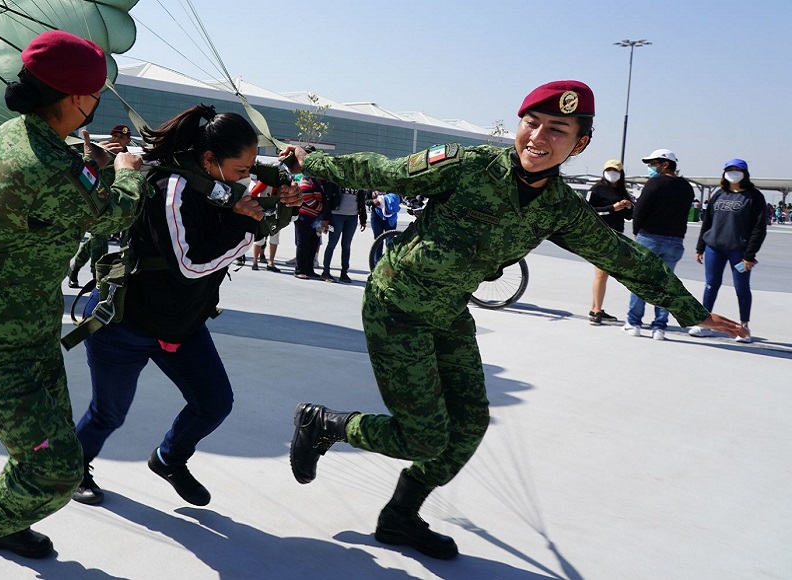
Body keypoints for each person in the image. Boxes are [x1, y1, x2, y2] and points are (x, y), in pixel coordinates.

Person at [281, 81, 744, 562]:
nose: (538, 137)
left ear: (579, 144)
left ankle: (400, 516)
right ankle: (327, 424)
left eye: (558, 129)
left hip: (449, 312)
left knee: (468, 426)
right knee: (422, 435)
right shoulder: (469, 165)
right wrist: (306, 160)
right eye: (532, 123)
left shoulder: (561, 207)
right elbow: (382, 170)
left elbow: (623, 256)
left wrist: (692, 310)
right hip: (397, 304)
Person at [0, 30, 145, 580]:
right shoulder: (54, 168)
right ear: (74, 100)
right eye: (96, 95)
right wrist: (129, 172)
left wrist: (91, 162)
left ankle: (6, 520)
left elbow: (67, 181)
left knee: (42, 443)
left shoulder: (19, 133)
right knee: (55, 468)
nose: (97, 104)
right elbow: (116, 213)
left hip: (21, 328)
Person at [71, 105, 300, 507]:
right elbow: (189, 265)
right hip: (124, 325)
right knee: (109, 413)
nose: (247, 174)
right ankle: (74, 468)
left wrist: (283, 205)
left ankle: (169, 458)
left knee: (214, 404)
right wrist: (246, 223)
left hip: (181, 324)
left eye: (251, 165)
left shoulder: (216, 184)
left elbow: (242, 219)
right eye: (240, 166)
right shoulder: (170, 188)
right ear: (209, 158)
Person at [689, 159, 767, 343]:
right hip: (714, 248)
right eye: (729, 169)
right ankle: (704, 324)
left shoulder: (754, 197)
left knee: (741, 288)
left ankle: (744, 326)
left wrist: (750, 255)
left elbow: (759, 228)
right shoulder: (719, 194)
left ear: (745, 173)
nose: (733, 172)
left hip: (739, 252)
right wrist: (700, 247)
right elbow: (707, 222)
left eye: (737, 169)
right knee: (711, 285)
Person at [623, 149, 697, 340]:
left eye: (653, 164)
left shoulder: (654, 183)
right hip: (675, 240)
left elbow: (640, 209)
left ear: (665, 164)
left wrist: (637, 230)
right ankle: (659, 327)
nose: (651, 168)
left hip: (650, 238)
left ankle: (634, 323)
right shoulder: (687, 187)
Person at [66, 126, 134, 288]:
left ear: (128, 141)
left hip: (118, 204)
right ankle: (97, 279)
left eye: (122, 138)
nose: (118, 140)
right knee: (99, 240)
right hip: (97, 202)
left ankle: (76, 267)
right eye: (115, 136)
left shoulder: (130, 158)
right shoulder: (101, 151)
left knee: (95, 241)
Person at [586, 160, 633, 324]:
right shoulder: (597, 189)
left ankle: (595, 308)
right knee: (601, 273)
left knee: (603, 274)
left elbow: (629, 216)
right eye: (609, 170)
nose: (612, 173)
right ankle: (597, 311)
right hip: (599, 235)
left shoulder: (622, 192)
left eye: (616, 170)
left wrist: (628, 206)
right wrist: (612, 208)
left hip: (616, 236)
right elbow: (588, 211)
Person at [321, 186, 368, 283]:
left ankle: (344, 272)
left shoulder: (356, 181)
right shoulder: (337, 179)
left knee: (346, 245)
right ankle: (326, 271)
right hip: (336, 216)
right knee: (332, 244)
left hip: (352, 217)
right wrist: (325, 219)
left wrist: (363, 219)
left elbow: (361, 199)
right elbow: (328, 198)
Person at [293, 174, 325, 279]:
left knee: (313, 244)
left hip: (317, 219)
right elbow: (306, 197)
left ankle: (309, 269)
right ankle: (299, 270)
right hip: (304, 217)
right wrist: (322, 208)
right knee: (303, 244)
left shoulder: (323, 181)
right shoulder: (306, 180)